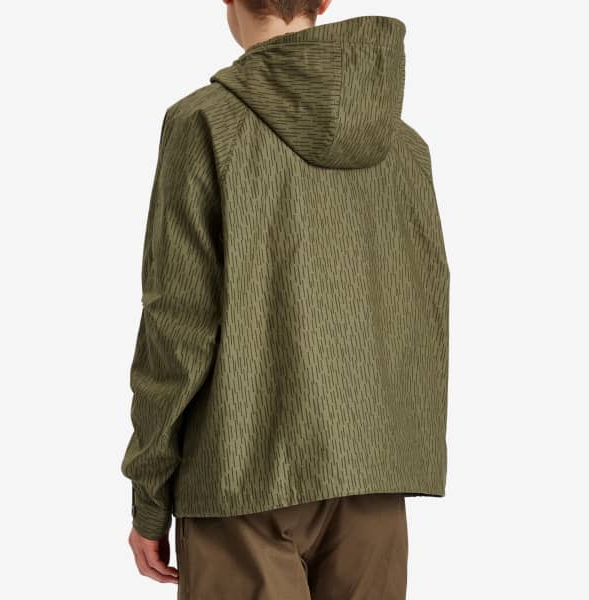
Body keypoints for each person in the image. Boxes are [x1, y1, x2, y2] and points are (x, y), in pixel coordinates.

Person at [120, 1, 450, 598]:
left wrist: (150, 495)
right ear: (323, 2)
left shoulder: (204, 123)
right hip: (374, 475)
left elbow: (178, 323)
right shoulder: (404, 147)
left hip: (240, 474)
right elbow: (425, 312)